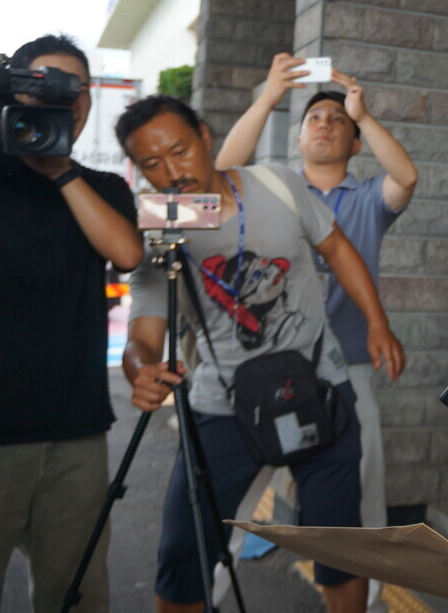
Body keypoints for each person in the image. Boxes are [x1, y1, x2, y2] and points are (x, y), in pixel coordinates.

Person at [118, 95, 392, 613]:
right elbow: (146, 322)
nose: (172, 172)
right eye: (152, 165)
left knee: (339, 545)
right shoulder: (162, 222)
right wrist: (140, 367)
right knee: (184, 551)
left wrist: (378, 323)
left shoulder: (274, 183)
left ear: (204, 135)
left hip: (321, 390)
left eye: (179, 150)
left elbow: (336, 247)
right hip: (224, 408)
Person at [215, 53, 409, 610]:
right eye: (314, 120)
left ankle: (363, 600)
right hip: (264, 373)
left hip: (346, 367)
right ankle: (206, 593)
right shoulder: (269, 188)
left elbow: (406, 177)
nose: (324, 125)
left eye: (337, 122)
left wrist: (364, 114)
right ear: (297, 138)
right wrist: (270, 94)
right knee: (235, 500)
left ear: (354, 144)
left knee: (360, 495)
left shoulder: (369, 199)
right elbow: (223, 171)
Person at [0, 35, 143, 613]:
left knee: (78, 597)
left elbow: (128, 256)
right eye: (43, 85)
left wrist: (60, 170)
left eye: (76, 90)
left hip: (76, 432)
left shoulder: (102, 187)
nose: (65, 100)